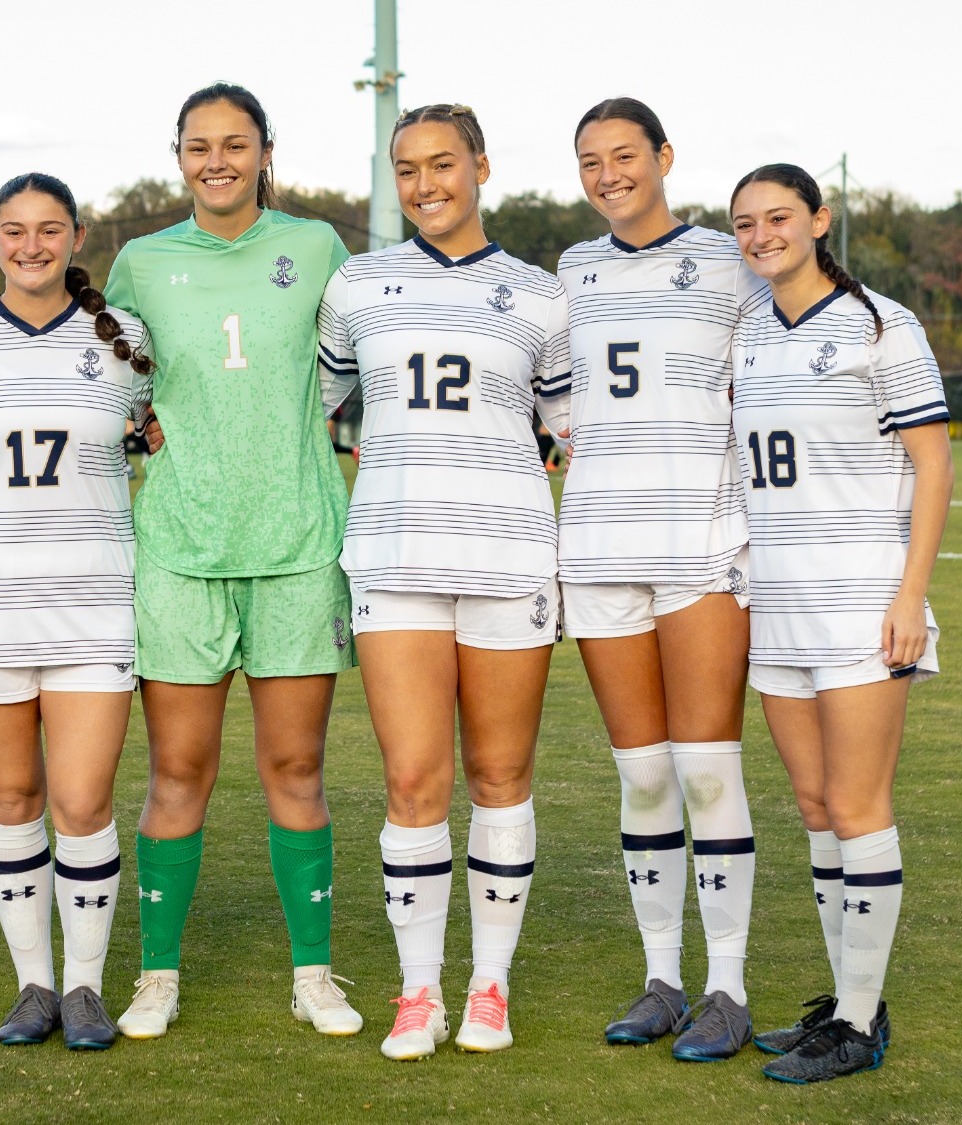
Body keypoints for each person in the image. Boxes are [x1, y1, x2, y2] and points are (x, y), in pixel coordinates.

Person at [0, 82, 363, 1040]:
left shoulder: (317, 249)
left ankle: (314, 973)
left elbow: (355, 361)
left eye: (234, 142)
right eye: (197, 145)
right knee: (178, 771)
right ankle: (155, 973)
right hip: (177, 545)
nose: (216, 160)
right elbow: (92, 347)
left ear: (266, 149)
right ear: (177, 156)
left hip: (297, 542)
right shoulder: (140, 263)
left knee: (295, 766)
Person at [314, 104, 568, 1060]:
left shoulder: (542, 296)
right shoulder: (358, 286)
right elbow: (315, 402)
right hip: (395, 558)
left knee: (500, 777)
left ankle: (489, 987)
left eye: (443, 165)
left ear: (482, 167)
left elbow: (580, 426)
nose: (425, 186)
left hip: (509, 557)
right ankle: (418, 989)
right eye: (407, 169)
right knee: (413, 778)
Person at [728, 163, 952, 1083]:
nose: (761, 235)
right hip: (776, 604)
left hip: (861, 601)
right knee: (817, 806)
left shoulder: (881, 325)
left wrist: (909, 597)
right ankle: (849, 998)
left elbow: (934, 469)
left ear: (819, 220)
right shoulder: (746, 330)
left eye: (778, 217)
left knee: (859, 808)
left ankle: (858, 1024)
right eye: (744, 224)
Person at [0, 172, 154, 1052]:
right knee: (11, 797)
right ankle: (35, 983)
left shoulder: (128, 341)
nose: (31, 246)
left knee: (82, 800)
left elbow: (163, 427)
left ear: (77, 237)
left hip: (95, 602)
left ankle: (88, 986)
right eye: (14, 231)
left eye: (48, 229)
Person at [556, 97, 761, 1061]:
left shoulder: (729, 260)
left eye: (625, 155)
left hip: (702, 543)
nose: (608, 174)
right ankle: (663, 979)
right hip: (598, 544)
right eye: (591, 161)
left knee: (707, 769)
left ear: (665, 157)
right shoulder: (573, 269)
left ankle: (728, 988)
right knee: (642, 776)